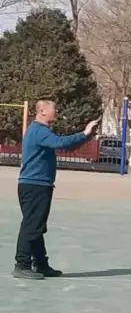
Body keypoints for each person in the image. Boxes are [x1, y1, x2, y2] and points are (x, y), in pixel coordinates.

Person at [13, 99, 99, 279]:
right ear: (42, 111)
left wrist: (86, 136)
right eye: (54, 108)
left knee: (37, 226)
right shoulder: (39, 130)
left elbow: (64, 146)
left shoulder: (40, 131)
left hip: (37, 184)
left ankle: (41, 264)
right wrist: (84, 133)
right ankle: (22, 264)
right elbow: (60, 143)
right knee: (31, 225)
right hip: (35, 185)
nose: (57, 111)